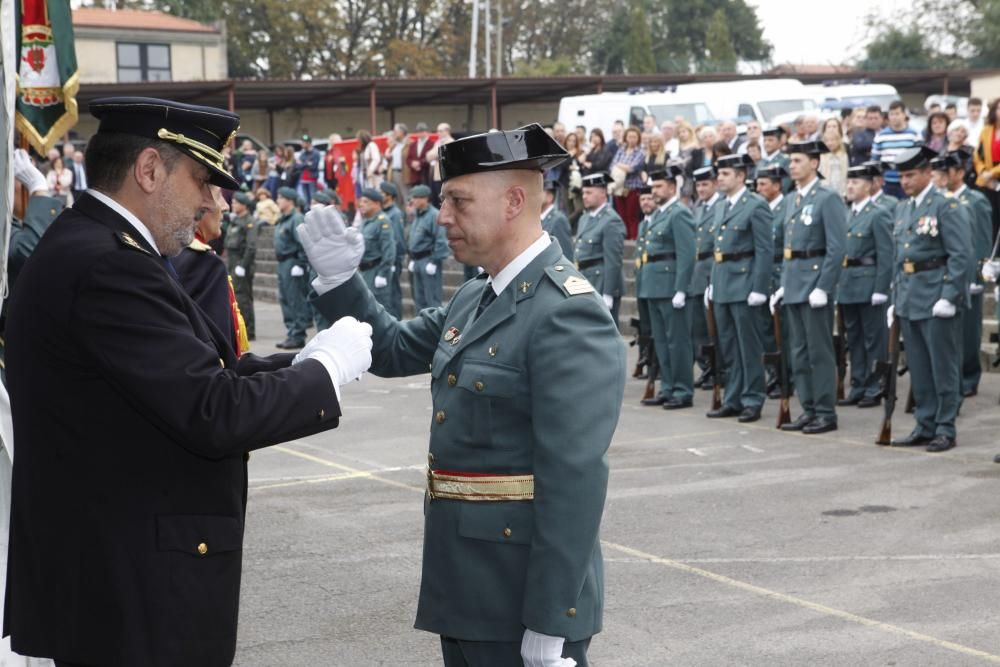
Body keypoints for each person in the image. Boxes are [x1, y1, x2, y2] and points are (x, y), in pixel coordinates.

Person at [3, 96, 372, 666]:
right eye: (201, 179)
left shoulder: (96, 246)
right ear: (149, 169)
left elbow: (198, 371)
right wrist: (325, 370)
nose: (209, 200)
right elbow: (213, 410)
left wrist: (306, 361)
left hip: (110, 575)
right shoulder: (109, 264)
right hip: (129, 589)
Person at [302, 123, 624, 667]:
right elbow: (394, 348)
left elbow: (574, 482)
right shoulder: (478, 295)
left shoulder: (567, 312)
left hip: (519, 597)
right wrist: (340, 281)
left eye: (457, 200)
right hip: (466, 586)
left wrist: (551, 623)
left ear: (514, 202)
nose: (442, 215)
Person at [887, 146, 971, 452]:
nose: (905, 181)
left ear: (927, 173)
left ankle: (945, 427)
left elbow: (961, 254)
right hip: (910, 296)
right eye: (902, 176)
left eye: (911, 175)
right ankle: (925, 424)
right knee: (920, 368)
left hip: (937, 295)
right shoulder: (903, 208)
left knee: (943, 366)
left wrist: (950, 294)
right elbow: (900, 257)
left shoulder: (946, 206)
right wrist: (895, 297)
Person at [770, 140, 847, 434]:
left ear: (814, 164)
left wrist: (824, 286)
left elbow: (837, 248)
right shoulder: (792, 199)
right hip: (793, 283)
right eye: (791, 161)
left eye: (798, 160)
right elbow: (787, 248)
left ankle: (826, 412)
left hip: (814, 285)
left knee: (819, 352)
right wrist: (782, 285)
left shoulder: (827, 198)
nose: (792, 166)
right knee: (798, 352)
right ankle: (809, 407)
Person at [704, 154, 773, 422]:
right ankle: (732, 398)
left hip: (744, 282)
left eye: (725, 174)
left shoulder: (755, 205)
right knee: (729, 347)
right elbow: (717, 249)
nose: (720, 178)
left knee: (749, 346)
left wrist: (760, 287)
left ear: (741, 177)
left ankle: (753, 398)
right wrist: (712, 283)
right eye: (719, 174)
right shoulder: (721, 206)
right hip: (722, 283)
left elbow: (765, 251)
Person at [638, 165, 696, 409]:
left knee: (677, 341)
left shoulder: (678, 213)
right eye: (653, 187)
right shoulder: (659, 214)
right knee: (661, 341)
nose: (654, 191)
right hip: (653, 285)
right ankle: (668, 386)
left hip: (670, 286)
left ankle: (683, 390)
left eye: (659, 186)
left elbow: (686, 253)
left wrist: (681, 288)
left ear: (672, 188)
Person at [835, 163, 893, 408]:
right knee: (854, 338)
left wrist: (881, 288)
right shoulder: (846, 214)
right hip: (848, 283)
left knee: (873, 338)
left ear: (869, 186)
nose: (850, 186)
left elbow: (886, 253)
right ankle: (858, 384)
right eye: (849, 182)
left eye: (856, 182)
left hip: (869, 283)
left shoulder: (878, 213)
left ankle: (874, 385)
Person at [936, 149, 993, 397]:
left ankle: (969, 376)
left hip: (969, 275)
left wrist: (978, 276)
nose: (942, 176)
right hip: (945, 273)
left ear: (960, 172)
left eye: (946, 171)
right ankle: (953, 378)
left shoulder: (975, 200)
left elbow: (981, 240)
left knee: (969, 332)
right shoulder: (940, 200)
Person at [173, 185, 250, 357]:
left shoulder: (185, 252)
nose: (225, 206)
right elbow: (216, 353)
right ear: (198, 204)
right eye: (218, 196)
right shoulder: (200, 261)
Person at [755, 163, 791, 398]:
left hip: (781, 270)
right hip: (765, 272)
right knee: (766, 329)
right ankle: (772, 372)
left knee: (784, 330)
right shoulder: (760, 208)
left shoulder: (786, 208)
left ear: (777, 186)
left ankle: (786, 376)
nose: (758, 188)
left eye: (763, 184)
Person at [576, 172, 627, 324]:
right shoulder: (584, 218)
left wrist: (608, 293)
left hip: (601, 282)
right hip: (585, 281)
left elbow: (614, 260)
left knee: (604, 336)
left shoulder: (611, 220)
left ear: (603, 193)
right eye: (584, 192)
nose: (584, 196)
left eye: (589, 192)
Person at [689, 166, 722, 389]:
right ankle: (707, 367)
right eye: (698, 185)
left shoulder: (721, 207)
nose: (701, 189)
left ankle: (721, 369)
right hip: (697, 272)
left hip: (713, 269)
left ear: (715, 184)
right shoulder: (697, 208)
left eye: (705, 184)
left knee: (715, 327)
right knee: (697, 327)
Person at [274, 186, 312, 348]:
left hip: (292, 262)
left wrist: (300, 264)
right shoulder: (283, 219)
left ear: (290, 200)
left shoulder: (296, 218)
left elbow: (304, 242)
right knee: (285, 299)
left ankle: (298, 335)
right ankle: (291, 333)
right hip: (283, 263)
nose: (278, 201)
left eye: (281, 198)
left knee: (295, 299)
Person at [406, 184, 449, 310]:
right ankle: (421, 328)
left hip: (428, 260)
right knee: (419, 299)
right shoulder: (417, 215)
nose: (412, 200)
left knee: (432, 299)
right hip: (417, 260)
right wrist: (413, 259)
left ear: (425, 199)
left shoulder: (434, 215)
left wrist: (434, 261)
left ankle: (434, 329)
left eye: (416, 197)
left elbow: (441, 240)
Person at [224, 190, 259, 341]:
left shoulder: (249, 222)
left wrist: (243, 266)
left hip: (241, 263)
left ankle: (249, 330)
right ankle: (239, 328)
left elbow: (251, 247)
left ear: (244, 205)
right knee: (235, 297)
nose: (233, 204)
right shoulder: (235, 221)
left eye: (236, 203)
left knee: (243, 298)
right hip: (232, 262)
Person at [356, 187, 396, 313]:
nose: (361, 204)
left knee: (380, 309)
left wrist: (382, 273)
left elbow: (389, 250)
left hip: (376, 271)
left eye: (366, 201)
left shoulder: (382, 221)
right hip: (364, 271)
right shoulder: (366, 222)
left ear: (377, 203)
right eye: (361, 201)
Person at [872, 100, 921, 200]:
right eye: (892, 114)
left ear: (904, 115)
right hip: (888, 183)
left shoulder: (914, 135)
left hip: (908, 183)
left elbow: (919, 160)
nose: (894, 117)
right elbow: (875, 160)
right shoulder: (881, 136)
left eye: (897, 114)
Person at [633, 182, 657, 379]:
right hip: (643, 283)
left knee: (658, 331)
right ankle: (649, 363)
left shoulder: (656, 221)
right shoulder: (644, 223)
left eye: (649, 198)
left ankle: (657, 368)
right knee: (646, 328)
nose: (646, 202)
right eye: (642, 199)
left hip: (656, 283)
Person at [610, 126, 645, 239]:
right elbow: (612, 165)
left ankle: (633, 239)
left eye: (634, 137)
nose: (632, 139)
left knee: (632, 215)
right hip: (619, 187)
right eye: (630, 136)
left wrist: (619, 165)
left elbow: (633, 168)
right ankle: (623, 238)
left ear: (638, 138)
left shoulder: (640, 151)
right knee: (621, 215)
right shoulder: (621, 149)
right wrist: (622, 166)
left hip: (633, 187)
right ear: (625, 137)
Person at [379, 181, 408, 318]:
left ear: (389, 196)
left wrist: (396, 260)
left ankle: (396, 322)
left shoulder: (395, 214)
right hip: (384, 259)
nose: (380, 195)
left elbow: (398, 239)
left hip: (392, 260)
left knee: (393, 294)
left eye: (382, 193)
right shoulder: (382, 212)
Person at [973, 98, 1000, 241]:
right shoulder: (986, 130)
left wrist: (993, 173)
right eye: (999, 108)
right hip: (987, 180)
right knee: (990, 216)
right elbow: (978, 155)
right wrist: (983, 172)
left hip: (995, 174)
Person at [542, 179, 574, 257]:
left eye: (538, 193)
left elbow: (566, 254)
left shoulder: (558, 220)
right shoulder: (538, 219)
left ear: (549, 197)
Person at [820, 118, 850, 197]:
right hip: (825, 188)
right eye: (827, 141)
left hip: (841, 188)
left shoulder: (844, 155)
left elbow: (845, 172)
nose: (830, 143)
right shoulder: (822, 156)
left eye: (833, 140)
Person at [429, 123, 454, 204]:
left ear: (447, 131)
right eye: (437, 131)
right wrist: (436, 155)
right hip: (437, 175)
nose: (438, 133)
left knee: (444, 199)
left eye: (440, 131)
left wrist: (436, 155)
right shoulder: (438, 142)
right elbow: (428, 156)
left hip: (445, 176)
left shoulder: (451, 142)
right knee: (437, 198)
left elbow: (439, 154)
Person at [407, 122, 436, 188]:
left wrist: (420, 163)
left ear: (426, 132)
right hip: (414, 176)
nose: (420, 133)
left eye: (422, 131)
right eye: (418, 131)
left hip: (426, 175)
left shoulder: (431, 144)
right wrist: (412, 163)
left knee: (426, 194)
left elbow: (431, 159)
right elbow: (408, 158)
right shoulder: (413, 145)